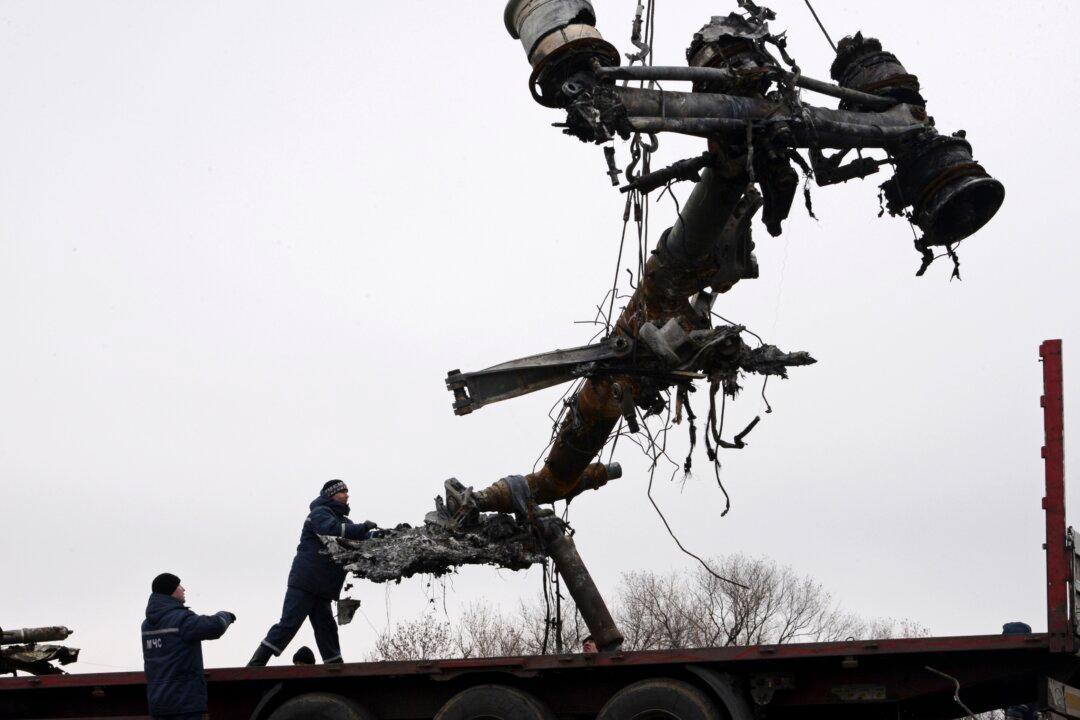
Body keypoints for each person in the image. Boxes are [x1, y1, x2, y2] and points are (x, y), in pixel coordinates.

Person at [248, 479, 378, 666]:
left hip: (322, 588)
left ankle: (335, 667)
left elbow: (362, 537)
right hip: (305, 583)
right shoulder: (319, 514)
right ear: (331, 495)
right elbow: (332, 530)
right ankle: (255, 665)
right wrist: (363, 526)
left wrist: (387, 534)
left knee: (327, 629)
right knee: (288, 625)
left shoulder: (343, 521)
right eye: (343, 491)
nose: (347, 495)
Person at [141, 573, 236, 720]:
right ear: (171, 590)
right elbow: (214, 627)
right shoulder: (181, 620)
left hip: (158, 704)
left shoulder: (147, 625)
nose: (183, 589)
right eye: (179, 585)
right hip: (184, 704)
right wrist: (225, 616)